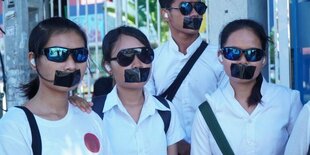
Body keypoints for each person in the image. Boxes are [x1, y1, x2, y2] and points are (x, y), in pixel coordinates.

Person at [190, 19, 303, 155]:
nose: (243, 60)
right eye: (233, 52)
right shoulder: (207, 111)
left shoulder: (288, 101)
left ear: (264, 59)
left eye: (252, 54)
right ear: (220, 56)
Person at [0, 17, 110, 155]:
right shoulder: (15, 126)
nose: (71, 65)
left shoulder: (91, 118)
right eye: (57, 54)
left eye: (79, 54)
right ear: (33, 60)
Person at [146, 0, 227, 154]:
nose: (195, 13)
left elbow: (227, 107)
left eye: (199, 7)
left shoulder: (220, 58)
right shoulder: (152, 61)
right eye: (186, 7)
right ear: (165, 13)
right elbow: (148, 107)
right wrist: (177, 142)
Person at [96, 25, 184, 155]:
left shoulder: (166, 111)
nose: (137, 64)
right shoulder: (94, 114)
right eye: (126, 56)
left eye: (144, 55)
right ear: (108, 66)